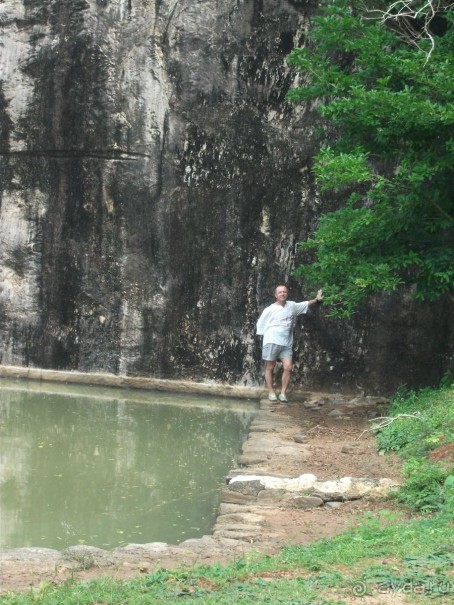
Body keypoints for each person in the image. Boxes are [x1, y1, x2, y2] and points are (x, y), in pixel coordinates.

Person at [256, 285, 323, 402]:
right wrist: (266, 338)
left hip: (286, 343)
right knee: (270, 366)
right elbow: (260, 324)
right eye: (280, 292)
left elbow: (306, 303)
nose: (282, 294)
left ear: (287, 294)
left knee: (288, 367)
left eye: (284, 292)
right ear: (276, 295)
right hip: (272, 341)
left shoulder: (292, 306)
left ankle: (283, 393)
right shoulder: (270, 309)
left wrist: (316, 299)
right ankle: (271, 392)